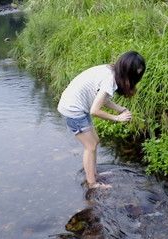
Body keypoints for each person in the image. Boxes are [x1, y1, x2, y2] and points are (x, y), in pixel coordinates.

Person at [57, 51, 146, 189]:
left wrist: (119, 108)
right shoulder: (110, 81)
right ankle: (92, 183)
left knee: (95, 141)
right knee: (90, 146)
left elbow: (101, 98)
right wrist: (117, 118)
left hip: (77, 104)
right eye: (135, 75)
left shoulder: (111, 71)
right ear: (126, 71)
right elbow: (95, 110)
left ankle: (93, 174)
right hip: (73, 109)